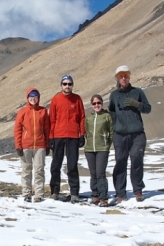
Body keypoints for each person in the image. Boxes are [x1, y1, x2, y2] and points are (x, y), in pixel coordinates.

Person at [108, 65, 151, 204]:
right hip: (120, 135)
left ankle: (138, 191)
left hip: (137, 134)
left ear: (129, 77)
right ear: (117, 78)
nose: (124, 78)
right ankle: (120, 193)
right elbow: (111, 112)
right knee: (120, 162)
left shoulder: (137, 92)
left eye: (126, 75)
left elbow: (148, 108)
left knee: (136, 161)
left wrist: (137, 104)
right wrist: (114, 127)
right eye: (121, 76)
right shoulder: (114, 95)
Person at [48, 74, 85, 203]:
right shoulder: (56, 99)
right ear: (61, 85)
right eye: (65, 84)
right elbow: (51, 119)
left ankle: (74, 192)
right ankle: (55, 191)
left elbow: (82, 118)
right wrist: (50, 137)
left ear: (72, 85)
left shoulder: (77, 99)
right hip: (58, 135)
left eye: (69, 84)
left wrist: (82, 134)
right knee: (55, 165)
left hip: (73, 136)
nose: (67, 86)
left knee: (72, 165)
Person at [14, 87, 50, 202]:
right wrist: (18, 145)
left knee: (39, 170)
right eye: (31, 96)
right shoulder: (22, 112)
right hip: (26, 146)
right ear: (27, 98)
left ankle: (39, 194)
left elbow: (47, 129)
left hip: (40, 146)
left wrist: (47, 144)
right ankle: (26, 193)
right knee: (26, 170)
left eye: (35, 96)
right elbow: (18, 129)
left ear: (38, 98)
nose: (33, 99)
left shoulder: (43, 111)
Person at [84, 94, 113, 207]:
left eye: (98, 103)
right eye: (94, 103)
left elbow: (111, 133)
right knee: (93, 173)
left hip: (102, 149)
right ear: (91, 105)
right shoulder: (89, 118)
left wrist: (106, 145)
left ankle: (103, 197)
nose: (97, 105)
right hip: (90, 149)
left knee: (100, 173)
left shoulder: (107, 116)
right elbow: (86, 132)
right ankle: (95, 195)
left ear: (102, 103)